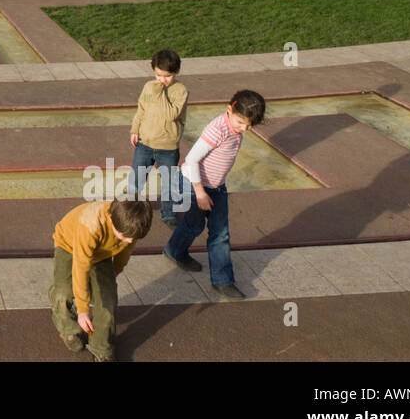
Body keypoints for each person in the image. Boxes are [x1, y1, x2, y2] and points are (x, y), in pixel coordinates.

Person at [163, 89, 267, 300]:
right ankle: (174, 250)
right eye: (240, 122)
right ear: (229, 110)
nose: (244, 129)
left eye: (249, 125)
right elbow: (191, 160)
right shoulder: (217, 129)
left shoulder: (235, 130)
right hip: (193, 185)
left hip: (217, 187)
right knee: (194, 225)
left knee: (220, 233)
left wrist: (218, 185)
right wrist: (200, 193)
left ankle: (222, 281)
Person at [48, 199, 153, 362]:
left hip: (101, 254)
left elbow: (122, 258)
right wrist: (83, 310)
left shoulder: (132, 225)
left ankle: (101, 348)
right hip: (69, 245)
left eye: (133, 239)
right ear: (110, 219)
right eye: (124, 237)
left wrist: (109, 280)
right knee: (64, 293)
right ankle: (69, 328)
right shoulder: (90, 224)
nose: (130, 242)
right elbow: (81, 266)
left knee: (107, 301)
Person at [129, 50, 188, 226]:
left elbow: (170, 114)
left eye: (167, 76)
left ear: (176, 72)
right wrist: (135, 129)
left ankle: (168, 214)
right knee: (136, 179)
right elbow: (142, 108)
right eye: (158, 75)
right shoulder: (149, 87)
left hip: (168, 147)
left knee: (169, 183)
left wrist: (159, 91)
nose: (162, 80)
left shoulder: (181, 91)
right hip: (145, 144)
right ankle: (128, 208)